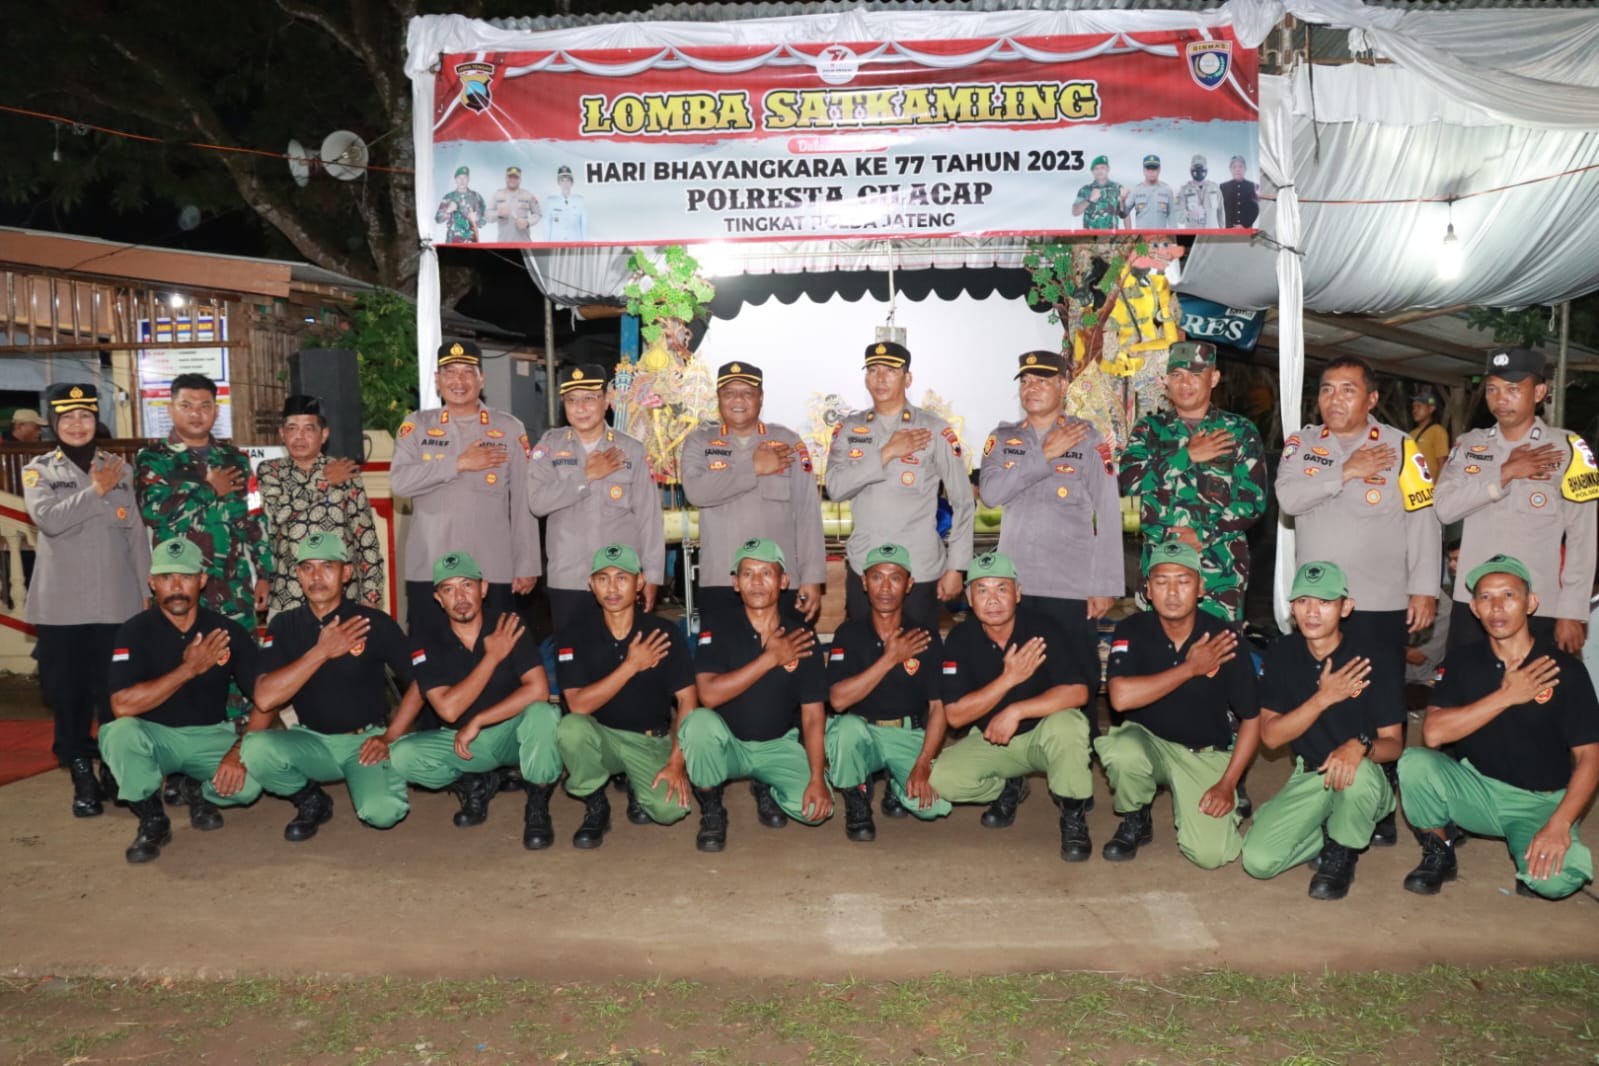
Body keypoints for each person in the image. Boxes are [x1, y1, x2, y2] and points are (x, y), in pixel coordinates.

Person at [1276, 357, 1438, 845]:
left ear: (1371, 399)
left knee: (1381, 700)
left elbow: (1423, 520)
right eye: (1327, 389)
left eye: (1348, 390)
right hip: (1318, 608)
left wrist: (1424, 588)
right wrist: (1345, 472)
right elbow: (1288, 500)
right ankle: (1317, 785)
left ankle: (1379, 798)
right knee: (1317, 694)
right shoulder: (1302, 445)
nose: (1335, 398)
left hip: (1380, 601)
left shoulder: (1402, 447)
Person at [1399, 554, 1597, 900]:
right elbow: (1433, 734)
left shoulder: (1565, 669)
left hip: (1538, 802)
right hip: (1477, 789)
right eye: (1486, 597)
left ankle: (1531, 848)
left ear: (1531, 603)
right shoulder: (1463, 661)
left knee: (1554, 883)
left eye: (1509, 595)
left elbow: (1590, 758)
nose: (1497, 607)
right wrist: (1506, 696)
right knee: (1414, 762)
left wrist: (1560, 824)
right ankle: (1440, 850)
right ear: (1475, 608)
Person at [21, 383, 150, 817]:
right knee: (68, 693)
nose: (78, 424)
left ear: (96, 420)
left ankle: (113, 768)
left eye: (86, 416)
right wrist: (94, 490)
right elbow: (48, 520)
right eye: (68, 417)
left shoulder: (119, 468)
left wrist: (145, 591)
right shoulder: (39, 471)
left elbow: (135, 535)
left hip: (116, 602)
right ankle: (81, 773)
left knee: (113, 692)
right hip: (62, 608)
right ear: (53, 424)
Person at [1242, 561, 1405, 899]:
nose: (1312, 612)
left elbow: (1394, 744)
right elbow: (1270, 737)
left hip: (1364, 771)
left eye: (1325, 602)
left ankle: (1341, 853)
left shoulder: (1373, 656)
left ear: (1346, 607)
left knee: (1357, 774)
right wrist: (1323, 698)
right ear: (1292, 608)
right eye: (1303, 601)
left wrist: (1360, 746)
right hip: (1312, 774)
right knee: (1258, 861)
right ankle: (1331, 826)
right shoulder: (1283, 653)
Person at [243, 533, 419, 841]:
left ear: (346, 572)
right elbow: (266, 697)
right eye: (307, 568)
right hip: (312, 741)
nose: (316, 577)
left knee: (383, 813)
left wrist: (390, 736)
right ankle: (310, 799)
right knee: (254, 749)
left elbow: (421, 681)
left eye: (327, 566)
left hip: (364, 742)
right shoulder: (284, 625)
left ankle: (375, 781)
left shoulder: (372, 622)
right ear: (298, 575)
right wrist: (321, 651)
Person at [101, 537, 264, 864]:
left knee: (254, 782)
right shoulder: (134, 631)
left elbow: (266, 697)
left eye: (186, 576)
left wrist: (238, 753)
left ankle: (197, 789)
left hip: (209, 735)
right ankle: (152, 818)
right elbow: (122, 705)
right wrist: (189, 669)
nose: (176, 587)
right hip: (154, 737)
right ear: (152, 583)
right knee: (119, 734)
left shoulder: (226, 630)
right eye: (166, 577)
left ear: (202, 580)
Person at [1098, 541, 1259, 869]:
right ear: (1147, 590)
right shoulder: (1131, 629)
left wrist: (1228, 783)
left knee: (1211, 856)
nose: (1172, 592)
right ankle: (1136, 816)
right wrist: (1190, 668)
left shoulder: (1224, 638)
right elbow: (1120, 698)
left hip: (1203, 753)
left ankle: (1202, 799)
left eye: (1183, 581)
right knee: (1121, 751)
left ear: (1200, 588)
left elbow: (1252, 719)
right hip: (1148, 743)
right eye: (1161, 582)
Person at [929, 551, 1096, 862]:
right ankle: (1009, 784)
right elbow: (955, 715)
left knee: (1070, 725)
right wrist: (1009, 678)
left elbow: (1078, 692)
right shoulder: (960, 639)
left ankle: (1073, 815)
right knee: (941, 780)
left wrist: (1016, 710)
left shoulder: (1044, 627)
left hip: (1043, 735)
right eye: (982, 590)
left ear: (1018, 593)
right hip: (994, 740)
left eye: (1002, 588)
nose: (992, 599)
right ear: (969, 599)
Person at [388, 552, 562, 847]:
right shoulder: (425, 639)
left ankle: (537, 802)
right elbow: (448, 709)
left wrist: (480, 719)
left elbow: (538, 690)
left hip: (514, 733)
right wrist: (492, 657)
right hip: (464, 742)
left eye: (467, 585)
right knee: (401, 756)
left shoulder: (508, 623)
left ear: (483, 588)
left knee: (543, 714)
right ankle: (475, 781)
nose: (460, 597)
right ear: (438, 598)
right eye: (449, 589)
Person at [1434, 347, 1596, 656]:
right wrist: (1504, 474)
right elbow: (1444, 508)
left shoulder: (1570, 449)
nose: (1500, 399)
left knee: (1536, 686)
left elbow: (1583, 536)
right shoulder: (1469, 445)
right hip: (1474, 605)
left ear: (1539, 392)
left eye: (1512, 389)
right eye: (1492, 389)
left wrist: (1573, 611)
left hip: (1538, 605)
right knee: (1468, 685)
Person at [978, 350, 1122, 697]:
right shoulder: (1003, 439)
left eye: (1042, 380)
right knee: (1019, 680)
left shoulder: (1088, 438)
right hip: (1016, 586)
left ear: (1063, 385)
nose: (1032, 388)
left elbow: (1108, 512)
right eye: (1026, 381)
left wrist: (1105, 584)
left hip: (1070, 587)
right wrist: (1043, 455)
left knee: (1075, 679)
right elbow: (991, 494)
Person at [680, 538, 833, 851]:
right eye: (747, 573)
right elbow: (708, 694)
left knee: (817, 811)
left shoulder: (801, 634)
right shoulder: (718, 625)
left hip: (778, 744)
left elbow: (813, 715)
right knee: (697, 724)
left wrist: (817, 778)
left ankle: (768, 784)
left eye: (767, 573)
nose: (757, 582)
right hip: (729, 745)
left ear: (784, 581)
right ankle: (712, 807)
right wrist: (770, 658)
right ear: (736, 583)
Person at [552, 544, 697, 848]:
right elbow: (577, 704)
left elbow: (687, 700)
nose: (612, 588)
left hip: (648, 740)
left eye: (622, 578)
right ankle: (596, 802)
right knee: (570, 728)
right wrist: (631, 665)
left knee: (670, 810)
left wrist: (676, 763)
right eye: (603, 579)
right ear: (591, 584)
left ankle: (636, 782)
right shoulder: (574, 634)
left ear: (639, 582)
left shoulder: (663, 633)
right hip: (600, 737)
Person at [390, 340, 539, 636]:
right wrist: (458, 463)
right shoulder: (417, 426)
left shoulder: (509, 428)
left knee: (496, 650)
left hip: (491, 567)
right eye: (449, 372)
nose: (458, 380)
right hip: (430, 568)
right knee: (430, 652)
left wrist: (527, 563)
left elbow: (524, 501)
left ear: (482, 378)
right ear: (437, 380)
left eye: (467, 372)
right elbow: (400, 482)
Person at [1119, 341, 1268, 625]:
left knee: (1218, 649)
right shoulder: (1148, 431)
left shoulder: (1239, 431)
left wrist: (1203, 535)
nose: (1185, 383)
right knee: (1159, 648)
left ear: (1214, 378)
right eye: (1177, 375)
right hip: (1161, 569)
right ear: (1166, 381)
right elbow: (1130, 488)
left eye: (1195, 374)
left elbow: (1252, 501)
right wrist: (1186, 456)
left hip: (1219, 572)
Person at [825, 341, 974, 623]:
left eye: (890, 371)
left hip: (919, 567)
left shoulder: (934, 428)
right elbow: (835, 488)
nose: (880, 378)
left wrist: (957, 567)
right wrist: (887, 453)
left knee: (918, 648)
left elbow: (963, 502)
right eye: (873, 370)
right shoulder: (849, 429)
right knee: (863, 647)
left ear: (908, 379)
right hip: (865, 565)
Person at [825, 542, 951, 842]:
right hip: (862, 734)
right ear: (864, 583)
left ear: (909, 584)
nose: (885, 587)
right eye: (877, 577)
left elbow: (938, 707)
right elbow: (838, 700)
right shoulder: (849, 633)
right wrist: (890, 658)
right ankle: (857, 799)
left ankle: (897, 781)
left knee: (935, 807)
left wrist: (922, 764)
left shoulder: (925, 636)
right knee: (843, 731)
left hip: (907, 734)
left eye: (895, 578)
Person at [680, 361, 824, 621]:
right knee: (726, 648)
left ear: (761, 397)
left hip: (780, 580)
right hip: (722, 580)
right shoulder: (699, 442)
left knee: (787, 647)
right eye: (729, 393)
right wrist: (754, 467)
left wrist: (812, 577)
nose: (738, 400)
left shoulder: (788, 442)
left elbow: (807, 514)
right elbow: (696, 492)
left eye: (747, 393)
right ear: (718, 398)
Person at [528, 363, 664, 633]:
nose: (580, 408)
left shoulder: (631, 450)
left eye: (589, 398)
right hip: (569, 580)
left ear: (607, 400)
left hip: (621, 579)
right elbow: (537, 503)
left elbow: (649, 518)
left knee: (625, 653)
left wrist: (653, 575)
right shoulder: (549, 446)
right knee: (570, 655)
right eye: (572, 400)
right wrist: (586, 476)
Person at [135, 372, 270, 628]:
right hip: (178, 589)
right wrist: (209, 489)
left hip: (232, 588)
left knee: (238, 651)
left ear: (216, 412)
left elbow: (254, 517)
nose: (196, 414)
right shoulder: (154, 458)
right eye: (186, 406)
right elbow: (152, 512)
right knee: (181, 651)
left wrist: (265, 574)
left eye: (204, 406)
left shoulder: (235, 459)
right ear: (171, 410)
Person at [256, 394, 383, 615]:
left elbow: (366, 539)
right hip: (289, 595)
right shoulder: (271, 471)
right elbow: (277, 514)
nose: (299, 436)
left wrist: (372, 595)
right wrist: (323, 480)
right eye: (292, 428)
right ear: (282, 434)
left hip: (342, 595)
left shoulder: (344, 472)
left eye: (309, 429)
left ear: (324, 434)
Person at [1071, 155, 1128, 231]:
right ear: (1092, 171)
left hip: (1112, 235)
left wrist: (1129, 234)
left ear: (1108, 169)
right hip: (1090, 235)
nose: (1099, 171)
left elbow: (1126, 214)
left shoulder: (1118, 188)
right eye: (1096, 168)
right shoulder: (1085, 190)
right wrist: (1090, 200)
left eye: (1102, 168)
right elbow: (1075, 212)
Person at [489, 165, 541, 243]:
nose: (512, 180)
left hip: (523, 242)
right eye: (510, 177)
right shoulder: (497, 195)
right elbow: (488, 216)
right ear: (506, 178)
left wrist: (527, 222)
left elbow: (538, 214)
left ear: (520, 179)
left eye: (516, 177)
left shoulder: (528, 195)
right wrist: (498, 214)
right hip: (504, 243)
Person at [1409, 387, 1450, 483]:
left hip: (1429, 487)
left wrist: (1437, 488)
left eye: (1419, 406)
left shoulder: (1437, 431)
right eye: (1413, 407)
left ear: (1431, 409)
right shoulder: (1411, 434)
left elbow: (1442, 463)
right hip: (1413, 487)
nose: (1415, 410)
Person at [1124, 154, 1175, 231]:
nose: (1151, 171)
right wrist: (1122, 200)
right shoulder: (1136, 191)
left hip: (1161, 236)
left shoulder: (1167, 190)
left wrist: (1174, 236)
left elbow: (1172, 217)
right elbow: (1124, 213)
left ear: (1159, 170)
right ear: (1143, 170)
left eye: (1154, 168)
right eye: (1148, 168)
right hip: (1141, 237)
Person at [435, 165, 485, 243]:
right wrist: (448, 210)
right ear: (455, 179)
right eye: (459, 178)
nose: (462, 180)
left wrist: (477, 219)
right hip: (452, 241)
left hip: (471, 241)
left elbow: (483, 221)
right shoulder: (448, 197)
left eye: (464, 177)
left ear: (468, 179)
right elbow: (438, 219)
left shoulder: (476, 197)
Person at [1176, 154, 1223, 229]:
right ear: (1191, 170)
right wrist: (1190, 215)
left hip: (1211, 234)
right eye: (1196, 167)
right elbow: (1178, 215)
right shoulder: (1183, 190)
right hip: (1192, 234)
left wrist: (1223, 230)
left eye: (1201, 167)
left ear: (1206, 169)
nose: (1199, 170)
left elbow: (1221, 212)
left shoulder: (1215, 188)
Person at [546, 165, 587, 241]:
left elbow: (584, 225)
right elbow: (547, 225)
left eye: (568, 180)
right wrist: (546, 244)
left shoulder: (579, 201)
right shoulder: (551, 202)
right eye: (562, 181)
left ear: (572, 183)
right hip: (556, 243)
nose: (565, 184)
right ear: (558, 183)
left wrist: (585, 244)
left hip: (575, 243)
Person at [1218, 155, 1259, 228]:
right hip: (1227, 229)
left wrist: (1244, 225)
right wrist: (1229, 226)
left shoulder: (1253, 186)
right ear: (1230, 169)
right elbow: (1220, 210)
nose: (1237, 169)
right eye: (1234, 167)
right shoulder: (1223, 187)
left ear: (1245, 169)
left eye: (1240, 166)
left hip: (1246, 229)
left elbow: (1255, 209)